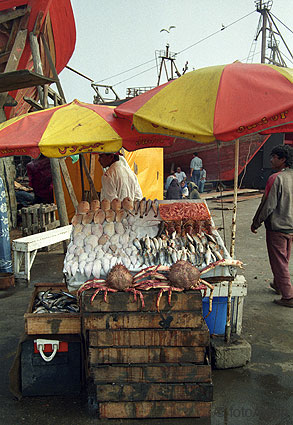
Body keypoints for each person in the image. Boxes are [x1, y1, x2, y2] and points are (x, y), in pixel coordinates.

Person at [251, 144, 293, 308]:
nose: (271, 160)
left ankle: (288, 296)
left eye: (273, 157)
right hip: (291, 227)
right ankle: (278, 284)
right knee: (284, 258)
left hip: (278, 227)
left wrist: (256, 222)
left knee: (279, 262)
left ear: (282, 160)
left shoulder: (276, 178)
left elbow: (268, 205)